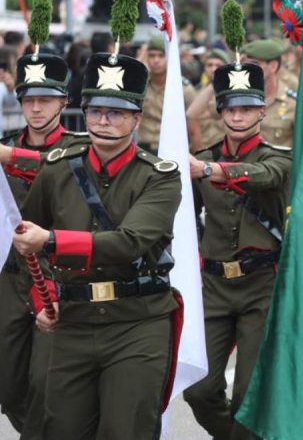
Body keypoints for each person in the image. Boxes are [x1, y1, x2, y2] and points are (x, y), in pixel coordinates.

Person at [12, 41, 182, 439]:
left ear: (137, 118)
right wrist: (42, 297)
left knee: (127, 429)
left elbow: (130, 241)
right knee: (62, 429)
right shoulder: (56, 169)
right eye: (96, 110)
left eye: (118, 112)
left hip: (137, 322)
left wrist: (50, 241)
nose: (104, 120)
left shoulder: (159, 176)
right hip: (73, 322)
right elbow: (23, 239)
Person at [183, 57, 292, 440]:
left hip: (260, 284)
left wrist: (213, 172)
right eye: (232, 107)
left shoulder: (275, 157)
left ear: (262, 110)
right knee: (198, 388)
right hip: (213, 286)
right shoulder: (205, 157)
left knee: (248, 390)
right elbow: (183, 217)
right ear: (221, 110)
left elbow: (266, 176)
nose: (239, 115)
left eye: (247, 108)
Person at [0, 38, 89, 437]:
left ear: (63, 101)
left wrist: (11, 159)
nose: (36, 108)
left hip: (59, 278)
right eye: (28, 99)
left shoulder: (83, 148)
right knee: (8, 382)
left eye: (46, 100)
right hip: (10, 278)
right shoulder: (7, 146)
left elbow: (61, 168)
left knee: (45, 383)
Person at [137, 36, 202, 153]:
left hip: (172, 152)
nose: (156, 60)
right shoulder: (139, 86)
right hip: (143, 150)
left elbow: (194, 129)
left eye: (161, 56)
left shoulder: (184, 89)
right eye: (151, 56)